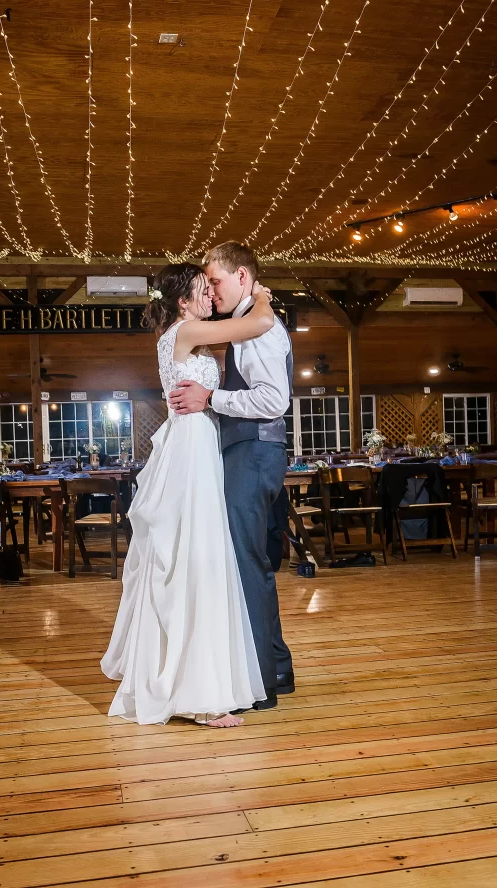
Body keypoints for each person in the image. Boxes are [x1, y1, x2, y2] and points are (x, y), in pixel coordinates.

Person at [101, 262, 274, 726]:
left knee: (196, 559)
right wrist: (261, 293)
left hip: (199, 443)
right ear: (182, 301)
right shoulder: (185, 331)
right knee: (193, 559)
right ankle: (198, 695)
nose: (209, 297)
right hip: (191, 448)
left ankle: (197, 685)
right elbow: (259, 324)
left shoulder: (183, 334)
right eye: (203, 290)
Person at [169, 242, 294, 711]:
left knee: (246, 567)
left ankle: (259, 683)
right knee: (250, 563)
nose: (212, 290)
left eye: (216, 281)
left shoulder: (260, 332)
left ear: (241, 276)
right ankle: (276, 669)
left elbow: (271, 401)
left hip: (253, 452)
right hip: (248, 452)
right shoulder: (247, 324)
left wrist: (211, 400)